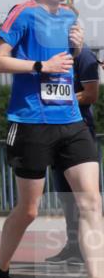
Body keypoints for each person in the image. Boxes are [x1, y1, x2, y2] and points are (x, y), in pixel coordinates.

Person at [0, 0, 104, 278]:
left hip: (71, 120)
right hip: (31, 122)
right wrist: (41, 66)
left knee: (92, 201)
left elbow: (71, 66)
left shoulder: (70, 16)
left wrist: (77, 48)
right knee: (29, 210)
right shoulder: (22, 13)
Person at [45, 45, 99, 263]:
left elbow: (91, 94)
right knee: (64, 192)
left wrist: (56, 99)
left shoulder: (83, 55)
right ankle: (74, 247)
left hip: (79, 130)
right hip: (54, 131)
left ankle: (91, 250)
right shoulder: (50, 53)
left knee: (86, 196)